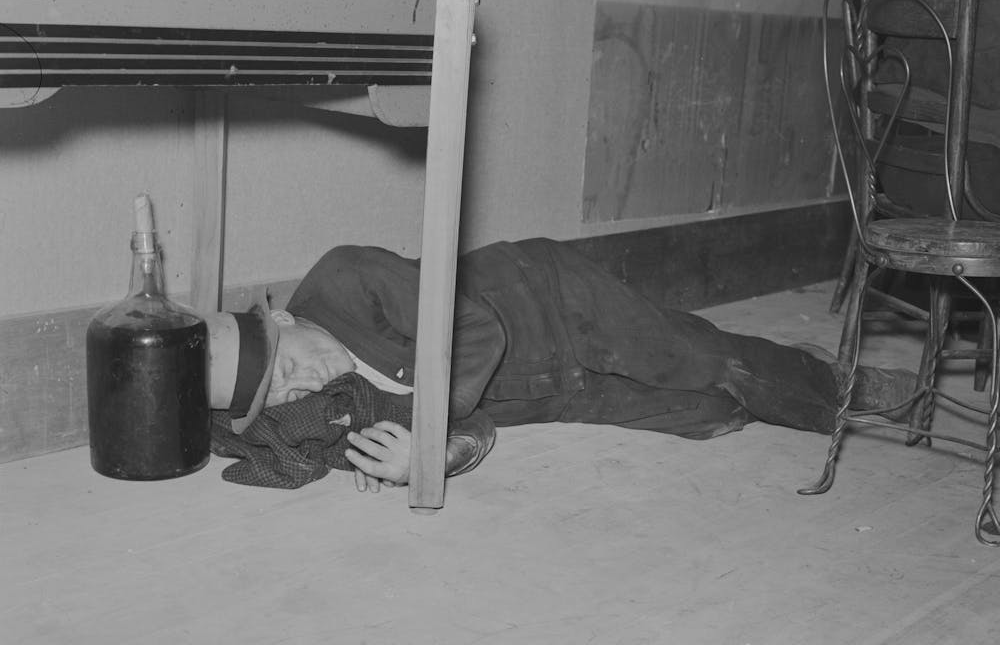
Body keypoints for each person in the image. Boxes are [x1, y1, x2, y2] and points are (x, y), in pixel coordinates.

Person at [206, 237, 916, 491]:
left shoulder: (346, 277)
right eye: (283, 395)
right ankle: (787, 368)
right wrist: (420, 460)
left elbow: (474, 329)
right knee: (708, 417)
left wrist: (422, 428)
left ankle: (841, 387)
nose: (304, 385)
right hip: (547, 392)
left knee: (700, 360)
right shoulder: (334, 398)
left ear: (282, 320)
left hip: (553, 300)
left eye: (286, 365)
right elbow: (474, 430)